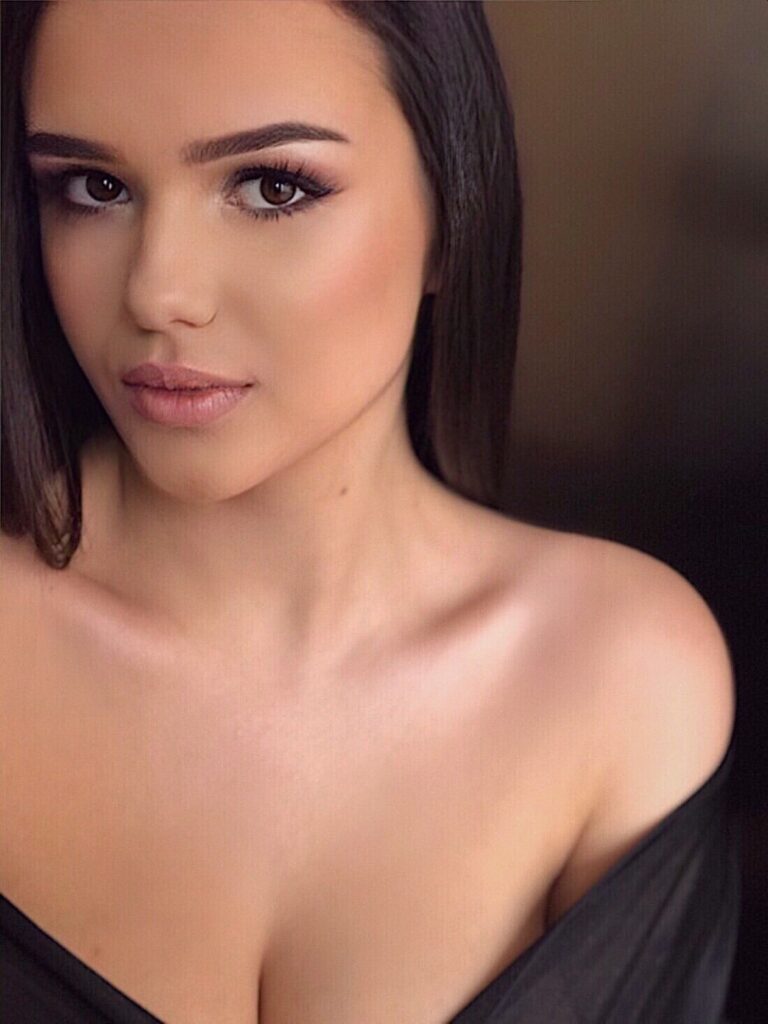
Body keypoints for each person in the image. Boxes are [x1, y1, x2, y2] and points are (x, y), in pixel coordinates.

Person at [0, 2, 739, 1022]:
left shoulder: (623, 682)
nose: (158, 292)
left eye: (273, 186)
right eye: (94, 187)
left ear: (452, 215)